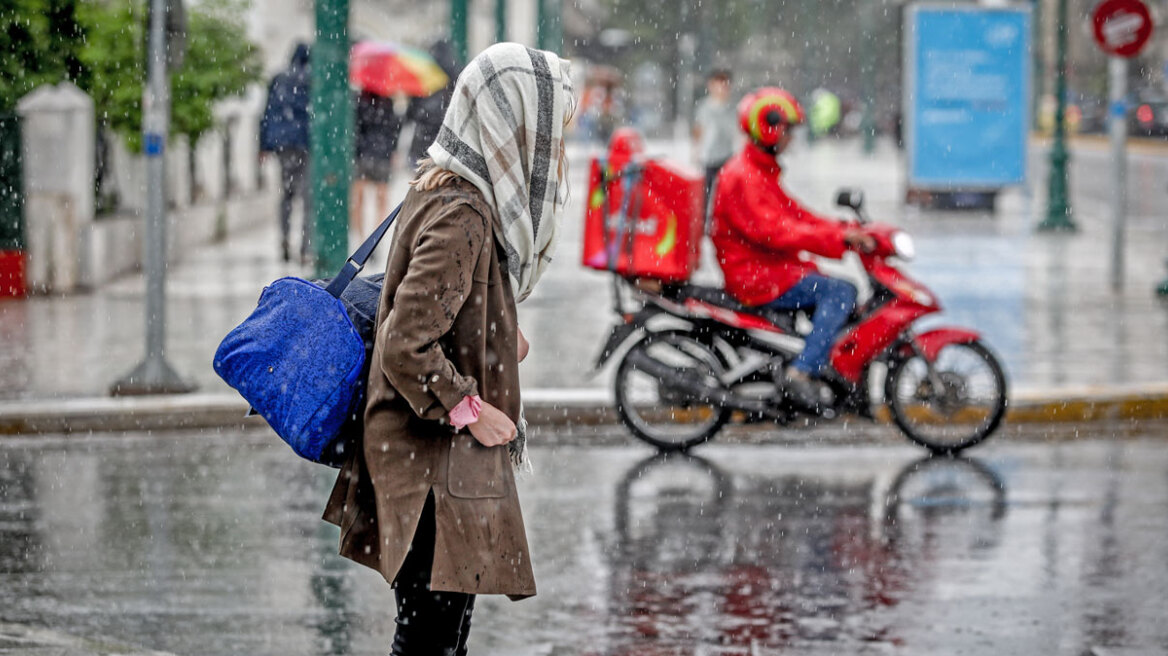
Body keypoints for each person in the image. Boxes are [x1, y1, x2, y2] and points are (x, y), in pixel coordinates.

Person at [322, 43, 574, 655]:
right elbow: (406, 343)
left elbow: (437, 298)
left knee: (437, 635)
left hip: (427, 460)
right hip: (432, 461)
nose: (554, 148)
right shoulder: (463, 211)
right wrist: (471, 409)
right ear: (510, 123)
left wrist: (495, 328)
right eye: (548, 128)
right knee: (431, 639)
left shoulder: (445, 189)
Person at [710, 87, 875, 410]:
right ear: (770, 128)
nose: (791, 139)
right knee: (840, 292)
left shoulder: (757, 170)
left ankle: (815, 364)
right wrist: (838, 239)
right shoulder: (745, 176)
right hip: (756, 275)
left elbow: (796, 215)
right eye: (788, 130)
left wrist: (843, 229)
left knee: (833, 290)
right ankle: (802, 371)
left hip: (768, 269)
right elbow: (777, 232)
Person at [259, 43, 312, 263]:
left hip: (283, 146)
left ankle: (284, 238)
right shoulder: (312, 80)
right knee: (308, 197)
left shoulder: (278, 79)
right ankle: (305, 247)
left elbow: (267, 112)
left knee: (287, 194)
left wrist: (263, 145)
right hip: (306, 144)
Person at [351, 90, 403, 236]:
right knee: (381, 199)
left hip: (364, 154)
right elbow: (395, 130)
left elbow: (356, 129)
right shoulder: (388, 103)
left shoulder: (360, 101)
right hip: (383, 155)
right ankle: (376, 236)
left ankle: (361, 237)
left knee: (358, 199)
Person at [405, 39, 462, 169]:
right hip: (445, 142)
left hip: (422, 140)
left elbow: (412, 112)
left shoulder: (425, 74)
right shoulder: (455, 74)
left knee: (421, 179)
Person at [692, 69, 737, 223]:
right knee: (705, 193)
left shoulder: (733, 109)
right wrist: (696, 151)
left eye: (725, 84)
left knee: (728, 194)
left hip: (728, 157)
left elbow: (738, 133)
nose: (722, 88)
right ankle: (702, 222)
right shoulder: (704, 108)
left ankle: (726, 221)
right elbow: (698, 131)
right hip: (709, 157)